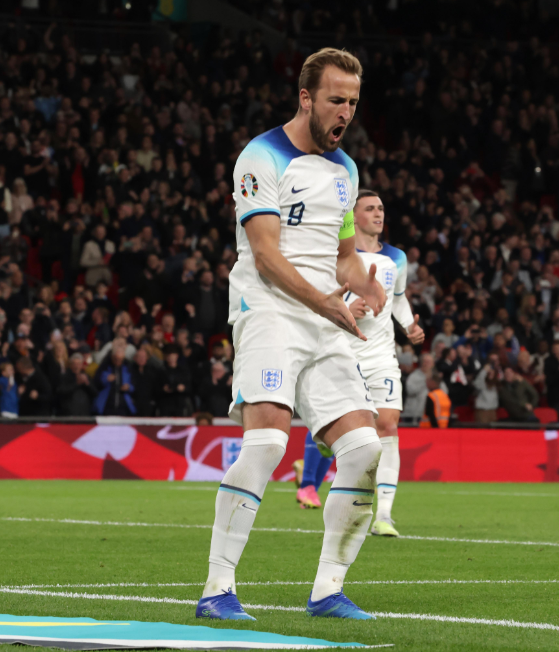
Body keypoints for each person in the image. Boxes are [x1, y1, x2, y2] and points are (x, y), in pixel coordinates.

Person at [197, 48, 386, 622]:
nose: (345, 112)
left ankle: (328, 591)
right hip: (270, 310)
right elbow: (266, 254)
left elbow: (343, 257)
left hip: (323, 320)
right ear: (306, 98)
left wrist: (365, 284)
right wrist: (326, 302)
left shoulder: (346, 171)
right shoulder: (261, 156)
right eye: (335, 100)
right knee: (268, 443)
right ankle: (216, 590)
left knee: (364, 448)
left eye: (353, 102)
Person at [295, 190, 425, 543]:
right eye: (369, 208)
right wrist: (345, 309)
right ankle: (320, 463)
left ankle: (383, 515)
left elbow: (397, 297)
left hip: (381, 355)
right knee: (347, 429)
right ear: (353, 216)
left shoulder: (396, 257)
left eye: (381, 208)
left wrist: (409, 325)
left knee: (388, 425)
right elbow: (315, 297)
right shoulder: (333, 254)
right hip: (341, 352)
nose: (378, 213)